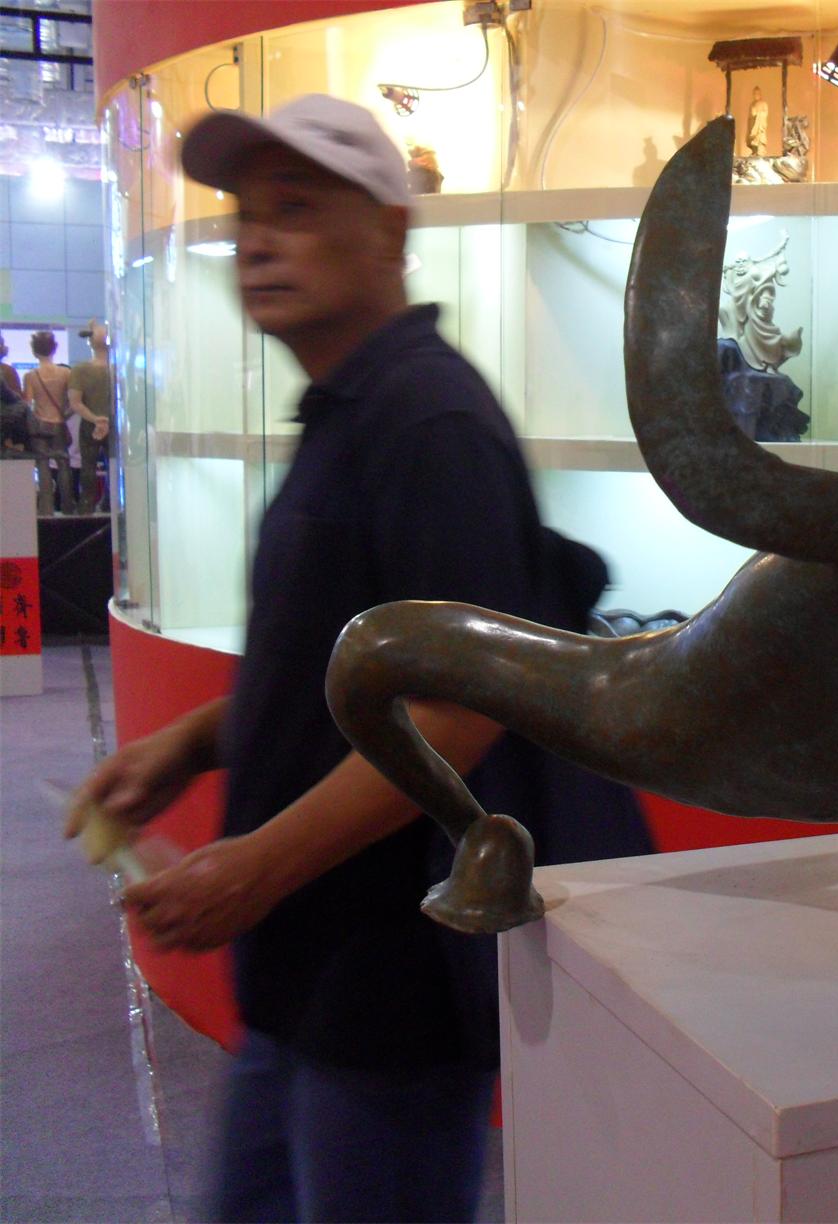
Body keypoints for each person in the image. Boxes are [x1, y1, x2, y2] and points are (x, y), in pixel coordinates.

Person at [65, 94, 650, 1223]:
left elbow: (458, 714)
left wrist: (252, 868)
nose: (257, 242)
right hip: (308, 976)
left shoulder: (429, 425)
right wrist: (189, 744)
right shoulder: (348, 412)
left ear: (388, 230)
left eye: (294, 209)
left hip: (388, 990)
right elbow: (336, 675)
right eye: (247, 216)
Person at [66, 321, 113, 514]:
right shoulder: (117, 369)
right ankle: (110, 502)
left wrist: (95, 419)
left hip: (89, 424)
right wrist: (106, 420)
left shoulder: (80, 370)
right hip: (113, 424)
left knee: (88, 466)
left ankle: (87, 504)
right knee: (114, 465)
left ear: (89, 342)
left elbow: (75, 402)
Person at [23, 330, 71, 514]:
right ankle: (67, 506)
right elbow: (72, 401)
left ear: (34, 351)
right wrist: (65, 415)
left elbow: (28, 403)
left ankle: (46, 508)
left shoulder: (31, 376)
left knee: (43, 466)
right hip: (59, 422)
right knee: (63, 465)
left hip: (39, 425)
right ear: (55, 348)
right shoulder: (65, 373)